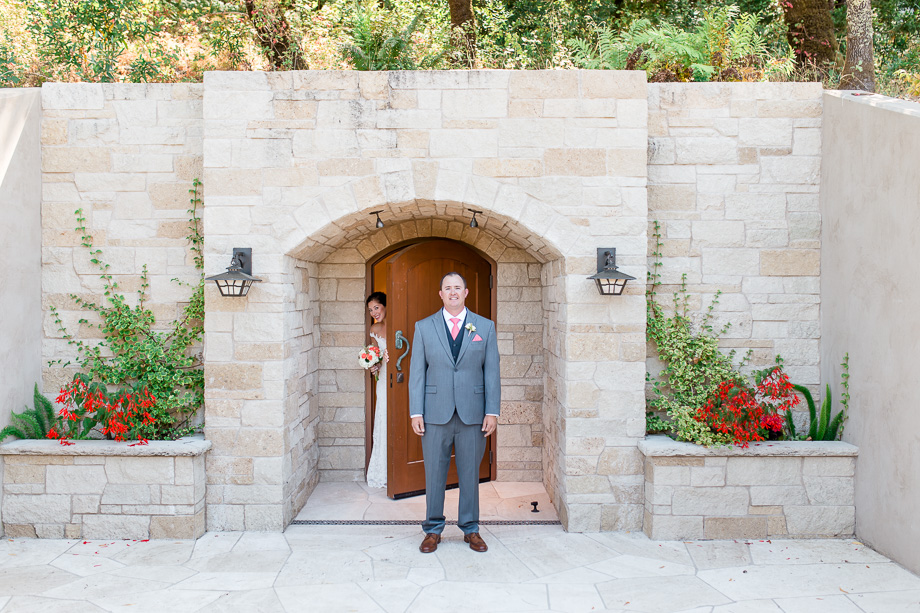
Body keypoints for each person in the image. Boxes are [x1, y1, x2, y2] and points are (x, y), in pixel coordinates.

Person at [408, 272, 500, 553]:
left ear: (466, 292)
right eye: (447, 288)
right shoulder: (424, 327)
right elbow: (417, 373)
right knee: (434, 472)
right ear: (440, 294)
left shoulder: (485, 326)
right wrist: (416, 412)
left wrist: (492, 411)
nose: (452, 292)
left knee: (471, 472)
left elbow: (492, 372)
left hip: (473, 413)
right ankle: (433, 529)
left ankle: (471, 528)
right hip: (435, 413)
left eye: (457, 288)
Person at [365, 291, 388, 489]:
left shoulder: (399, 324)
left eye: (377, 307)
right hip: (383, 381)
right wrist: (375, 365)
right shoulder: (374, 329)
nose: (374, 312)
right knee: (383, 416)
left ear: (385, 306)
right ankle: (382, 469)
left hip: (401, 376)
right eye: (371, 310)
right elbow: (377, 356)